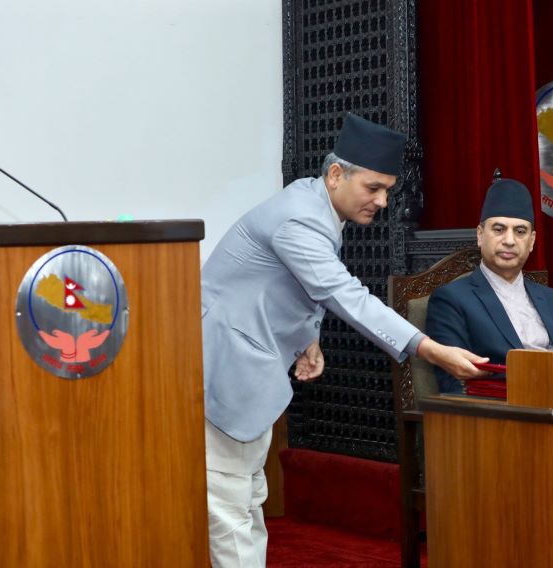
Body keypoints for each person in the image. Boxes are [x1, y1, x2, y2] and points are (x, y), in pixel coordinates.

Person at [200, 113, 488, 566]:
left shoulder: (313, 203)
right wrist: (428, 348)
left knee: (246, 498)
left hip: (249, 371)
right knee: (231, 507)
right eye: (374, 187)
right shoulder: (299, 218)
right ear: (336, 174)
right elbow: (342, 293)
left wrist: (308, 339)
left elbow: (288, 287)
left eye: (388, 189)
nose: (383, 201)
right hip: (228, 370)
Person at [425, 178, 553, 394]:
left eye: (520, 231)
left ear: (532, 241)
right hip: (503, 409)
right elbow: (456, 386)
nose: (509, 241)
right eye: (499, 229)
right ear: (480, 235)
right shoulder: (451, 299)